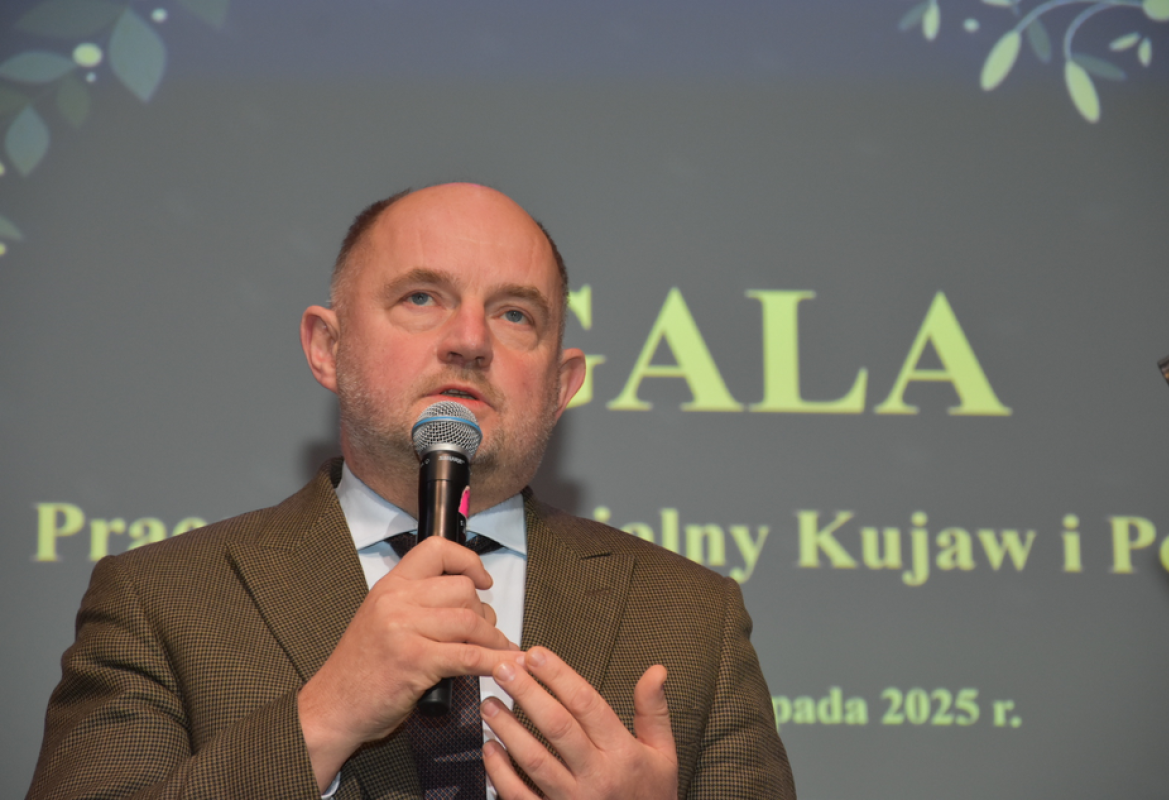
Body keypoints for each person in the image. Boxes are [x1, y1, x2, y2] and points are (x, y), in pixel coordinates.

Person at [26, 183, 794, 799]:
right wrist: (325, 715)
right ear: (328, 348)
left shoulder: (693, 620)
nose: (470, 340)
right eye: (422, 298)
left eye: (515, 314)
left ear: (562, 386)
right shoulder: (161, 602)